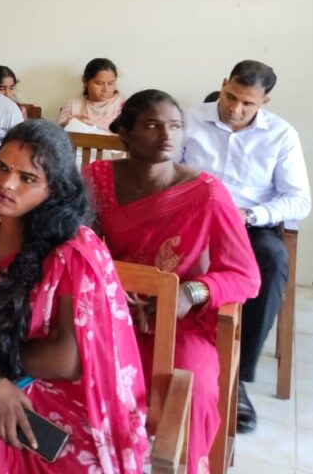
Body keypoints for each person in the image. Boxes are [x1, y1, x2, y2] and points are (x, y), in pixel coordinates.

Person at [0, 120, 149, 474]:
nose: (6, 184)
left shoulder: (74, 249)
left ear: (54, 190)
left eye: (27, 178)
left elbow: (66, 361)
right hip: (0, 386)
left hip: (72, 397)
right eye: (1, 167)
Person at [86, 90, 260, 471]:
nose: (167, 135)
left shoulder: (207, 192)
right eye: (152, 125)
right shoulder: (96, 180)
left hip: (182, 323)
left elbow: (245, 275)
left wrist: (190, 292)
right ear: (125, 134)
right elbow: (75, 244)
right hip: (111, 316)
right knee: (69, 375)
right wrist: (105, 286)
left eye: (176, 126)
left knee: (193, 387)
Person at [182, 60, 310, 433]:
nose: (235, 109)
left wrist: (250, 214)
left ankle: (236, 377)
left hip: (247, 224)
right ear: (223, 84)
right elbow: (166, 169)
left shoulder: (281, 135)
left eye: (247, 103)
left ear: (264, 102)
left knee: (272, 259)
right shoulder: (190, 118)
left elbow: (299, 200)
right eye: (230, 97)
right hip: (192, 219)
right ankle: (164, 356)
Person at [57, 57, 125, 131]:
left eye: (111, 83)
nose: (106, 89)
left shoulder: (123, 105)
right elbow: (58, 133)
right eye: (99, 83)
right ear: (85, 82)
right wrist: (70, 123)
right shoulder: (72, 105)